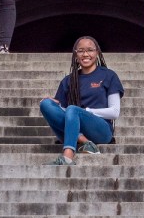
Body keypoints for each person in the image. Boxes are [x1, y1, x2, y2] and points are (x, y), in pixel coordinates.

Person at [40, 36, 124, 166]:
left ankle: (67, 157)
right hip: (72, 130)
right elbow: (63, 113)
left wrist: (85, 111)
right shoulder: (68, 80)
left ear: (97, 52)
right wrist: (54, 105)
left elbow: (114, 112)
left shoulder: (108, 75)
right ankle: (85, 142)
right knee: (45, 103)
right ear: (75, 54)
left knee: (73, 109)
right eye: (81, 51)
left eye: (90, 50)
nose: (85, 54)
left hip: (101, 131)